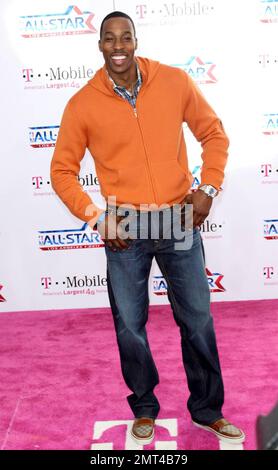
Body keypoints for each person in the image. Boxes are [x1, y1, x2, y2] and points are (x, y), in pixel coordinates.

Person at [50, 11, 245, 447]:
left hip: (178, 217)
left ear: (136, 40)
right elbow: (62, 170)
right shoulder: (83, 103)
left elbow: (213, 134)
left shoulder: (173, 82)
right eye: (109, 38)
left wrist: (208, 186)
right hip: (125, 227)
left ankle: (208, 410)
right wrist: (97, 217)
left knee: (196, 320)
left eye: (125, 37)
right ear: (99, 45)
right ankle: (143, 407)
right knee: (130, 327)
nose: (118, 45)